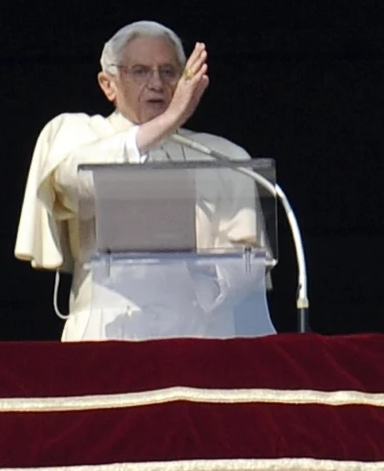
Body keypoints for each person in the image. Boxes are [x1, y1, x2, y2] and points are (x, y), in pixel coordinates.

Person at [14, 20, 272, 341]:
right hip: (107, 334)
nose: (157, 83)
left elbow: (251, 261)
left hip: (200, 335)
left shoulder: (225, 157)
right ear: (108, 84)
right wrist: (170, 119)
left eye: (168, 72)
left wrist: (207, 271)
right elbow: (75, 184)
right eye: (140, 71)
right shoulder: (77, 133)